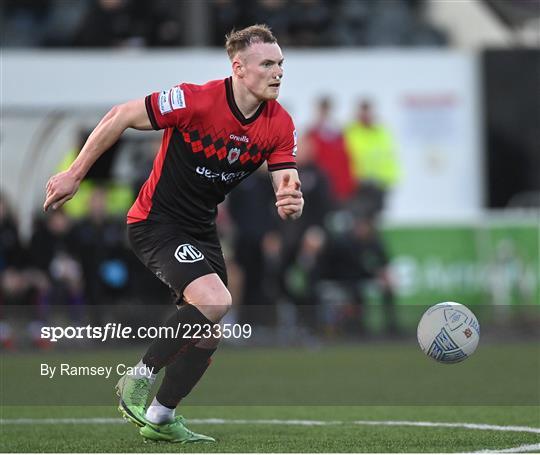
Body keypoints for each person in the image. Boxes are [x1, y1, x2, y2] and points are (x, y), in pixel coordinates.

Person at [43, 24, 303, 444]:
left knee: (209, 330)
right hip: (155, 221)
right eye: (268, 64)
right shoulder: (194, 100)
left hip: (200, 227)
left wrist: (292, 201)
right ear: (238, 68)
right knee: (217, 301)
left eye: (281, 64)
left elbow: (286, 181)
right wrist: (75, 173)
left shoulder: (279, 122)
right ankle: (138, 377)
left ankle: (161, 417)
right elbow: (121, 115)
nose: (278, 72)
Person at [344, 99, 400, 220]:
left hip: (379, 185)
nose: (366, 115)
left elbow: (389, 157)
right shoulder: (350, 131)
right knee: (357, 220)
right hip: (357, 185)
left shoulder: (382, 132)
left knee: (374, 220)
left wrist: (389, 180)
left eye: (368, 111)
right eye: (363, 111)